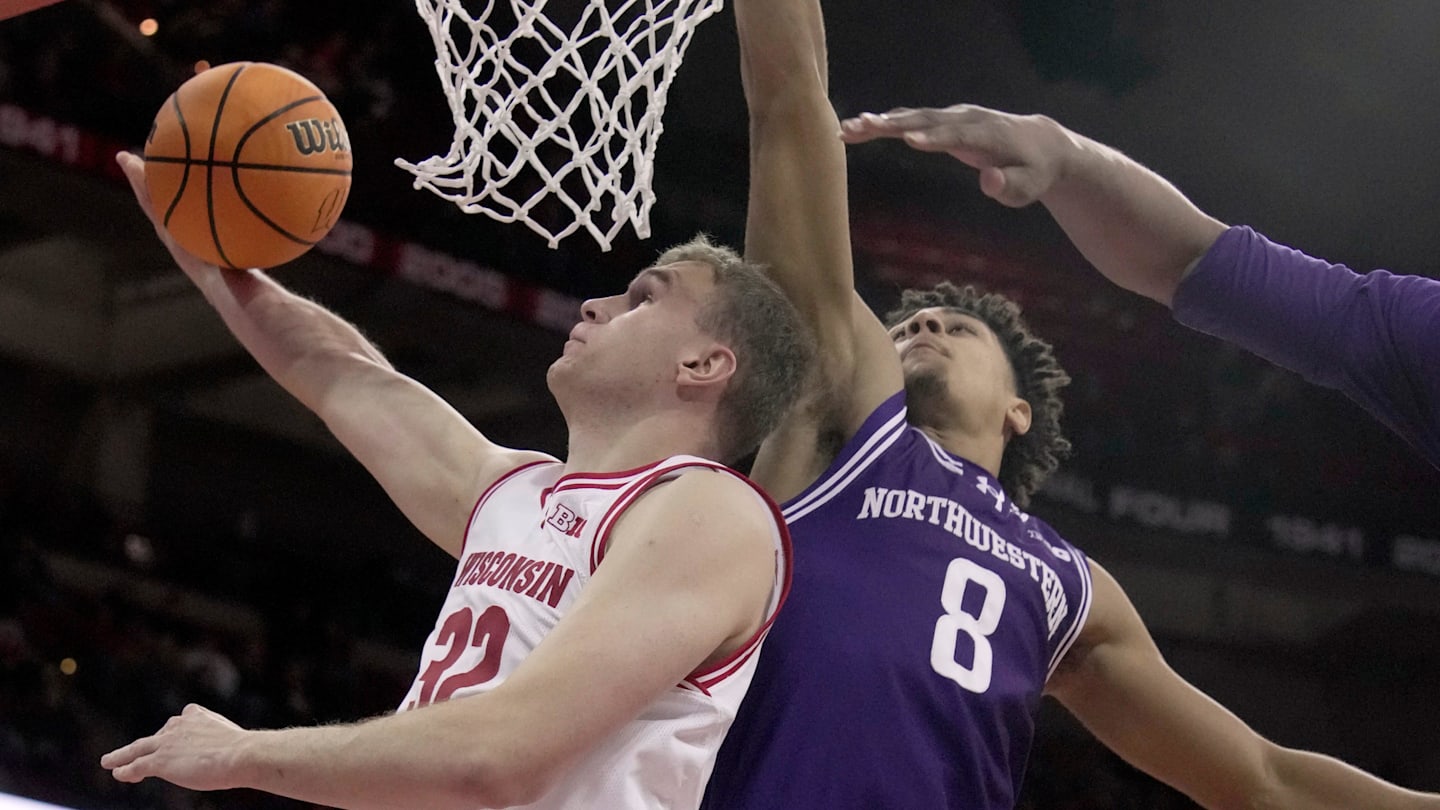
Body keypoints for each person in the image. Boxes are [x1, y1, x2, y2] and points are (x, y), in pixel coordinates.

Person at [702, 0, 1440, 807]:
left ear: (1019, 410)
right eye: (905, 325)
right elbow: (789, 111)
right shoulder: (836, 431)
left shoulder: (1069, 584)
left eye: (956, 327)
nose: (923, 326)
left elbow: (1264, 780)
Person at [99, 151, 813, 810]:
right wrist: (208, 258)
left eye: (644, 298)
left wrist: (240, 753)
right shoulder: (515, 493)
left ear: (703, 365)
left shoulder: (711, 509)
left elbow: (497, 757)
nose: (596, 305)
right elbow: (341, 372)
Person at [839, 104, 1440, 470]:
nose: (927, 326)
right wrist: (1064, 155)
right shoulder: (1421, 325)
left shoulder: (1066, 581)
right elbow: (1194, 261)